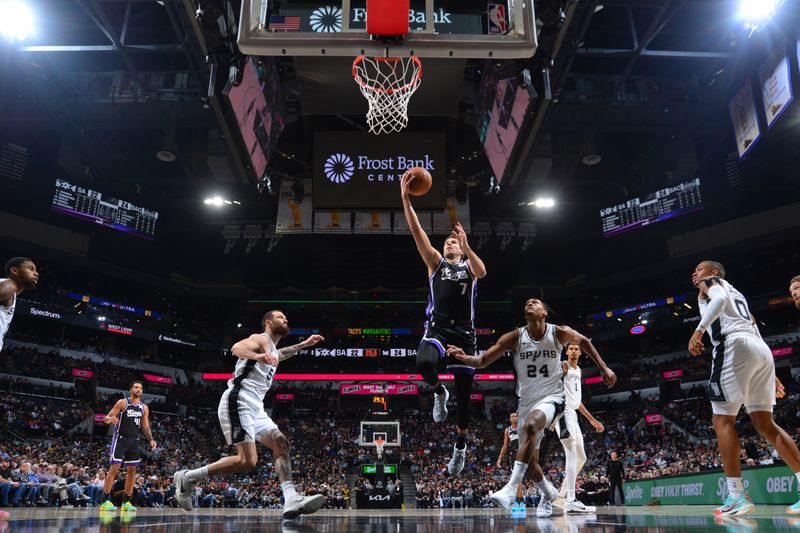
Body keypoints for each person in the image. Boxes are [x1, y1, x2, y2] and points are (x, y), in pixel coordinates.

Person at [448, 298, 616, 517]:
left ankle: (510, 488)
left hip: (553, 398)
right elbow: (482, 360)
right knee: (531, 464)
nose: (528, 303)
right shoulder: (515, 337)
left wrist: (603, 367)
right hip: (526, 402)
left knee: (530, 425)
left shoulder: (558, 333)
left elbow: (584, 341)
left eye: (534, 302)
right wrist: (465, 357)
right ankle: (548, 493)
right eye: (526, 303)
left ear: (544, 313)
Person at [174, 311, 326, 519]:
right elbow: (237, 348)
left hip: (256, 407)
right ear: (268, 323)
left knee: (281, 443)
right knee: (248, 461)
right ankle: (188, 477)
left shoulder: (271, 348)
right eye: (281, 317)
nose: (286, 320)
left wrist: (304, 344)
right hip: (239, 399)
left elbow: (281, 354)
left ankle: (291, 498)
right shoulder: (260, 338)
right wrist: (257, 356)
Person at [689, 260, 800, 516]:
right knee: (765, 424)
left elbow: (715, 301)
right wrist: (768, 372)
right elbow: (753, 324)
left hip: (734, 346)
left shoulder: (712, 284)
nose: (695, 273)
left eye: (700, 268)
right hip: (759, 349)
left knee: (722, 421)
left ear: (714, 272)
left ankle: (737, 496)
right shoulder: (737, 293)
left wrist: (698, 331)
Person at [400, 173, 487, 475]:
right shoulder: (435, 264)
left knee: (465, 400)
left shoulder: (469, 266)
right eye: (448, 241)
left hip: (465, 334)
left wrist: (467, 244)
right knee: (423, 363)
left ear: (460, 249)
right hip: (437, 327)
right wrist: (405, 199)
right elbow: (416, 231)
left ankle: (460, 447)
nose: (449, 242)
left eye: (454, 241)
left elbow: (482, 271)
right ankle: (438, 392)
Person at [557, 342, 605, 513]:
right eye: (571, 348)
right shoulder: (562, 365)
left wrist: (592, 420)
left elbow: (577, 401)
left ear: (581, 353)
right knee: (571, 454)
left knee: (582, 457)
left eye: (577, 349)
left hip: (573, 413)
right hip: (563, 413)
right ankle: (570, 499)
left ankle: (560, 495)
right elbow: (550, 388)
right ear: (566, 351)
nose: (574, 351)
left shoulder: (578, 371)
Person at [99, 381, 156, 512]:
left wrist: (151, 439)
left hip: (134, 440)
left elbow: (145, 426)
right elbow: (107, 417)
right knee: (114, 468)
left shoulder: (144, 408)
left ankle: (127, 502)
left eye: (141, 388)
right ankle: (105, 501)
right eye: (136, 387)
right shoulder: (122, 403)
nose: (139, 389)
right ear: (131, 390)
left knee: (132, 471)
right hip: (120, 439)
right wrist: (110, 419)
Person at [0, 257, 39, 354]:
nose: (36, 273)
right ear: (14, 271)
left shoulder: (10, 292)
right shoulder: (9, 286)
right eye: (31, 269)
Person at [496, 413, 525, 509]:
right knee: (517, 478)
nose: (514, 418)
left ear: (518, 417)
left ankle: (519, 500)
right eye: (512, 416)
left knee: (518, 478)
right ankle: (520, 500)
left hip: (523, 453)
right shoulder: (507, 430)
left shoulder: (522, 427)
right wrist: (500, 458)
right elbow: (505, 446)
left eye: (515, 416)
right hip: (513, 455)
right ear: (509, 419)